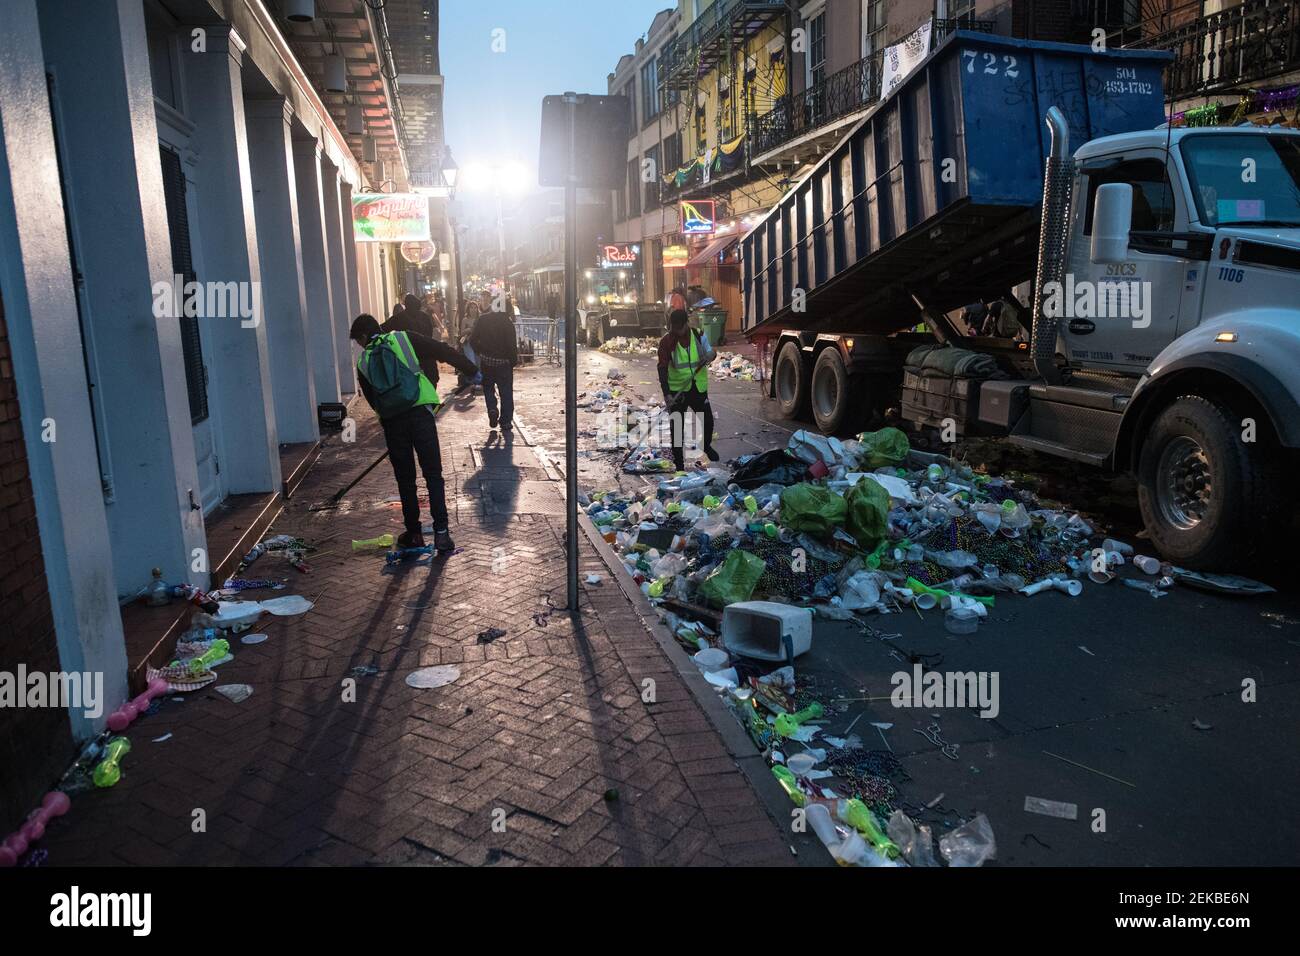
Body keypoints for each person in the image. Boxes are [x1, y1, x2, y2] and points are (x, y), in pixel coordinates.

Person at [350, 313, 479, 553]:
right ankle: (442, 534)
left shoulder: (364, 362)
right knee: (433, 474)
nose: (359, 346)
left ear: (364, 336)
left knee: (406, 479)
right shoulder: (402, 339)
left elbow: (373, 401)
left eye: (358, 341)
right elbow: (440, 349)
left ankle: (414, 534)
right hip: (420, 413)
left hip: (393, 422)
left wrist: (390, 417)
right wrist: (470, 368)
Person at [658, 308, 718, 471]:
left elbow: (711, 352)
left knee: (708, 421)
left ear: (686, 324)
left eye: (679, 327)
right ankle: (679, 466)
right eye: (673, 327)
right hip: (678, 391)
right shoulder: (666, 342)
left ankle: (706, 446)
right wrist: (667, 394)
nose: (676, 331)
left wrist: (710, 355)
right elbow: (662, 368)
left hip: (698, 388)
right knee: (677, 429)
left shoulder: (698, 335)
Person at [469, 305, 519, 435]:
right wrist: (512, 361)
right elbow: (512, 345)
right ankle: (506, 421)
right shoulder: (507, 322)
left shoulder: (483, 319)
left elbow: (472, 339)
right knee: (506, 392)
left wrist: (480, 352)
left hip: (487, 361)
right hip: (504, 363)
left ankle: (492, 408)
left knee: (488, 389)